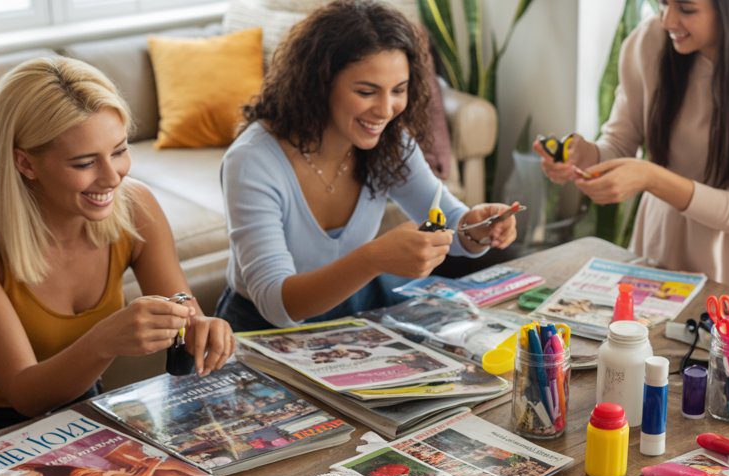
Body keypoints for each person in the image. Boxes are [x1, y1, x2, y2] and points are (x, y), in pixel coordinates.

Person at [0, 57, 233, 450]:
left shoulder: (136, 206)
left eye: (119, 151)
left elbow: (186, 318)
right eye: (85, 162)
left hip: (85, 414)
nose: (112, 178)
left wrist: (203, 330)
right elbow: (25, 394)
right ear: (25, 163)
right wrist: (104, 340)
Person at [216, 0, 517, 332]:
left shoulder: (390, 143)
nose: (386, 110)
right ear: (320, 84)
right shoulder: (253, 161)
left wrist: (479, 227)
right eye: (366, 91)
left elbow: (454, 229)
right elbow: (277, 305)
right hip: (261, 326)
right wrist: (373, 258)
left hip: (355, 312)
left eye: (398, 90)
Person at [536, 0, 729, 296]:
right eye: (663, 4)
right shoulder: (650, 42)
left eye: (686, 9)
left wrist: (651, 178)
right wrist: (584, 156)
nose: (667, 21)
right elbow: (618, 143)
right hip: (657, 244)